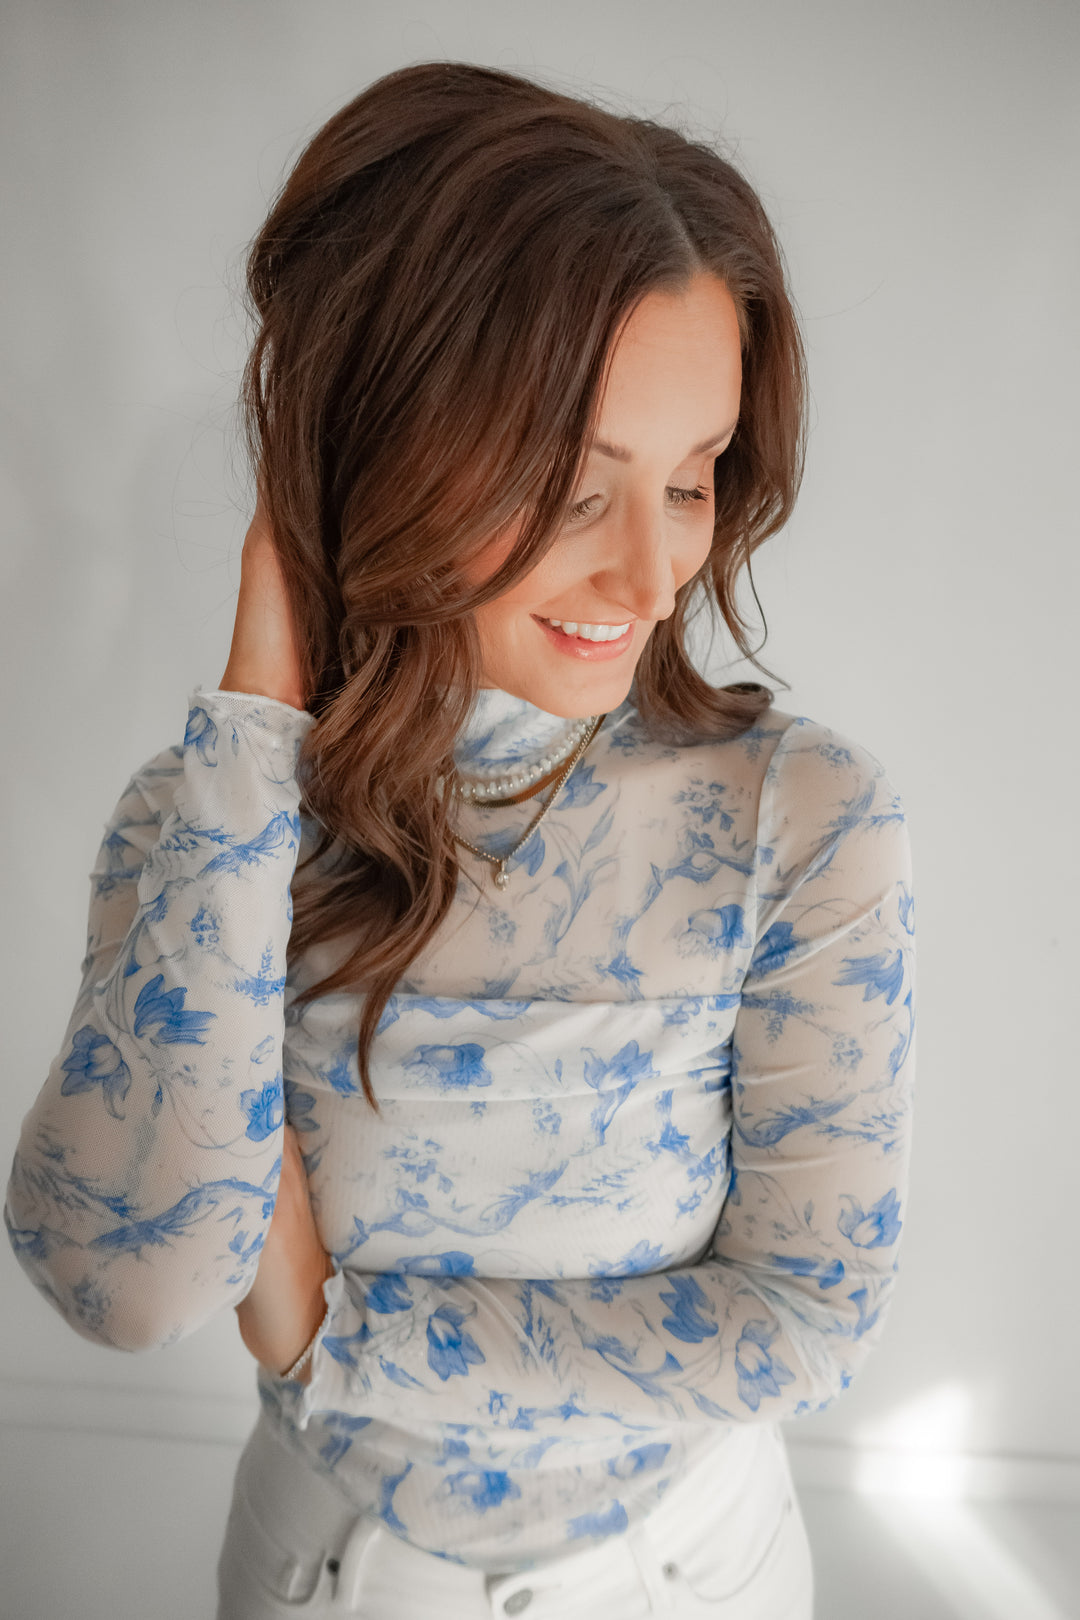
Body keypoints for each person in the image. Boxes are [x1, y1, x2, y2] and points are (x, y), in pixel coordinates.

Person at [4, 60, 916, 1620]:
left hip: (700, 1577)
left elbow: (802, 1319)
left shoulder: (802, 821)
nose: (647, 575)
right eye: (573, 485)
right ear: (400, 447)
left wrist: (328, 1336)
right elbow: (123, 1282)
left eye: (691, 481)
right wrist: (252, 727)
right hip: (324, 1574)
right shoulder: (213, 821)